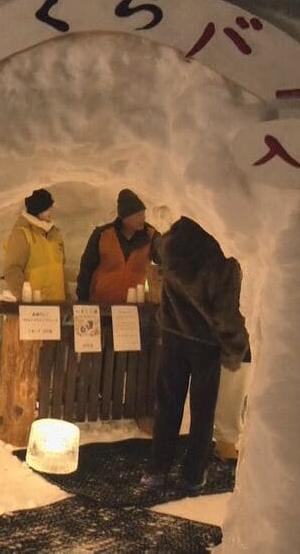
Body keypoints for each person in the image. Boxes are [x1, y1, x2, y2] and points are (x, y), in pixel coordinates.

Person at [143, 216, 249, 491]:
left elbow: (155, 250)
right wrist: (235, 346)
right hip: (205, 344)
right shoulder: (222, 257)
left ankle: (157, 468)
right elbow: (226, 311)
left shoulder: (172, 243)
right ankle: (192, 474)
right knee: (203, 411)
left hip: (173, 335)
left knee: (167, 404)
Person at [75, 189, 159, 303]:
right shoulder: (102, 235)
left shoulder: (151, 235)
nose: (143, 218)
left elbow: (165, 258)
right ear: (125, 217)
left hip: (135, 304)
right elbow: (87, 268)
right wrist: (82, 300)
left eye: (143, 214)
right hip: (102, 302)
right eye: (138, 215)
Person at [3, 188, 66, 301]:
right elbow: (12, 270)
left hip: (58, 304)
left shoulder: (55, 234)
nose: (50, 211)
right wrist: (25, 300)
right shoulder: (22, 234)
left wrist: (67, 300)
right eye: (46, 208)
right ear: (38, 210)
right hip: (34, 306)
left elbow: (61, 271)